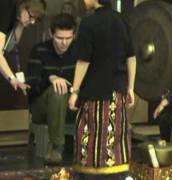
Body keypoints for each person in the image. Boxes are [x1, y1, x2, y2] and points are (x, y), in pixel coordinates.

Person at [68, 0, 136, 179]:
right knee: (116, 137)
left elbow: (84, 60)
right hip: (117, 92)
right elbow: (131, 57)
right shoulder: (122, 21)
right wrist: (130, 88)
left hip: (94, 92)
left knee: (90, 137)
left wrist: (75, 91)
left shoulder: (88, 23)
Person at [27, 13, 77, 163]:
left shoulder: (79, 50)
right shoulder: (39, 50)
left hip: (73, 105)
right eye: (59, 38)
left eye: (68, 38)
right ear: (51, 33)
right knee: (57, 91)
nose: (64, 43)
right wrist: (51, 78)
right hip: (41, 107)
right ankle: (57, 147)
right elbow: (32, 87)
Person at [0, 0, 46, 92]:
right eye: (31, 16)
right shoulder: (5, 8)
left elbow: (10, 46)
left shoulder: (15, 13)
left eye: (35, 19)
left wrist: (22, 24)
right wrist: (12, 79)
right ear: (23, 6)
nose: (32, 22)